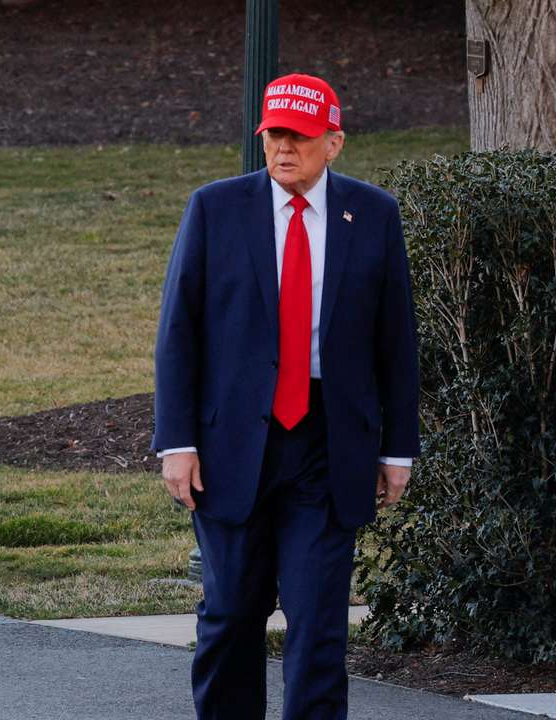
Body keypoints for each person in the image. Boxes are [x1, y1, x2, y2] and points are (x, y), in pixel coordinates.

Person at [150, 72, 420, 720]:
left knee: (318, 621)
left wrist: (399, 449)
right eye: (274, 134)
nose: (283, 148)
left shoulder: (372, 215)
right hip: (231, 445)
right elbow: (177, 331)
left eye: (299, 136)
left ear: (335, 142)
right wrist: (177, 442)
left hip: (329, 446)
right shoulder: (215, 208)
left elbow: (397, 341)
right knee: (231, 614)